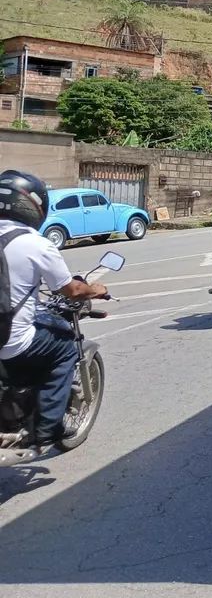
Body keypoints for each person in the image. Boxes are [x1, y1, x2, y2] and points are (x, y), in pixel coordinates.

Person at [0, 169, 109, 454]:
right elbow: (71, 290)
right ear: (33, 205)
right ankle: (47, 429)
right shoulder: (34, 243)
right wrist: (95, 289)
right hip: (10, 343)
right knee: (65, 346)